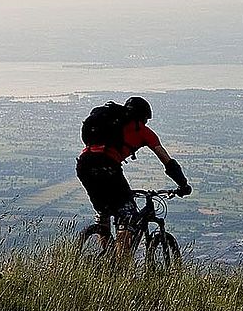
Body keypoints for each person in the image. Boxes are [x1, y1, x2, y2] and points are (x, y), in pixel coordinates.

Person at [76, 96, 191, 255]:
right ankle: (121, 267)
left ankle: (107, 257)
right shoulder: (142, 131)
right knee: (127, 217)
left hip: (84, 165)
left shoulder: (108, 121)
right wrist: (183, 184)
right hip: (108, 167)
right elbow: (167, 161)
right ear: (142, 117)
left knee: (104, 212)